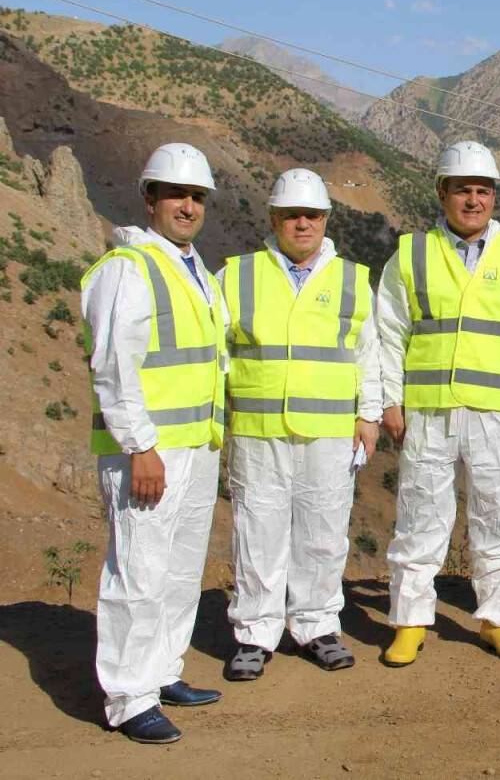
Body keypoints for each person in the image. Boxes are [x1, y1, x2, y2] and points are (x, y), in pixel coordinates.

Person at [378, 140, 500, 665]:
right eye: (462, 190)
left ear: (494, 196)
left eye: (482, 190)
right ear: (442, 192)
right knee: (419, 518)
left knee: (497, 519)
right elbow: (388, 332)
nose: (473, 200)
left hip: (497, 412)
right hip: (428, 410)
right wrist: (390, 401)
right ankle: (410, 622)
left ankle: (497, 619)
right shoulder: (411, 253)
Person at [80, 142, 228, 744]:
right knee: (138, 572)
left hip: (195, 446)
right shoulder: (129, 269)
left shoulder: (195, 269)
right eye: (176, 195)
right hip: (150, 453)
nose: (188, 206)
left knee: (177, 570)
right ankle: (127, 696)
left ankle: (163, 673)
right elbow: (114, 366)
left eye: (197, 196)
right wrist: (140, 447)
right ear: (150, 199)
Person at [219, 168, 380, 681]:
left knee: (324, 531)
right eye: (292, 215)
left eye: (312, 215)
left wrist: (368, 416)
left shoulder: (353, 279)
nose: (303, 224)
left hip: (329, 431)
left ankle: (317, 625)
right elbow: (217, 354)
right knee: (258, 530)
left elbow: (367, 355)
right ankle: (254, 633)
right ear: (274, 218)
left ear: (327, 219)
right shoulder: (237, 275)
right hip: (257, 430)